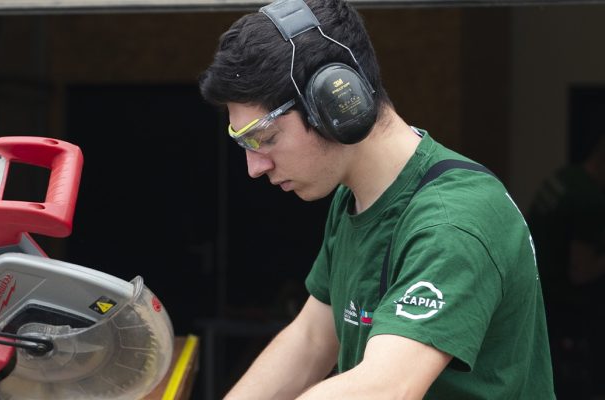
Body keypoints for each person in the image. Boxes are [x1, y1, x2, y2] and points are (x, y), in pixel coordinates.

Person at [199, 0, 556, 398]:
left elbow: (386, 388)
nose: (254, 167)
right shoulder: (354, 197)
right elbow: (311, 341)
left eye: (264, 138)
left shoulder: (454, 222)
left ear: (336, 103)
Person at [528, 132, 605, 399]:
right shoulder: (589, 199)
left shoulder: (564, 178)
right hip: (565, 310)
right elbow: (581, 271)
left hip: (536, 295)